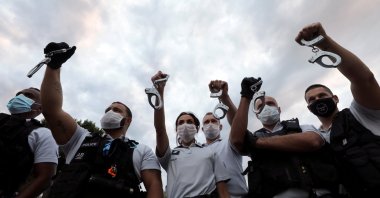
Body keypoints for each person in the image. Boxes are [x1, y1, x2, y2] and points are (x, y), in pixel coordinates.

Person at [39, 42, 163, 198]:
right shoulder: (79, 138)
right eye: (108, 110)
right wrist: (54, 67)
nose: (110, 112)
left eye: (117, 110)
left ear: (128, 120)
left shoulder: (142, 151)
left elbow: (154, 185)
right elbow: (51, 111)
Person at [297, 22, 380, 197]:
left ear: (335, 98)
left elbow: (365, 79)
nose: (317, 101)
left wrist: (324, 43)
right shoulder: (313, 138)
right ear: (309, 108)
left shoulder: (361, 114)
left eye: (322, 96)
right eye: (312, 100)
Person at [230, 78, 340, 198]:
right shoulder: (252, 138)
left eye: (270, 104)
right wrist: (246, 97)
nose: (266, 107)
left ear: (279, 109)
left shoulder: (302, 127)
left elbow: (314, 141)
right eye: (261, 106)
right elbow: (236, 139)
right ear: (257, 115)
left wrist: (258, 142)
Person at [151, 71, 230, 198]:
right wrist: (159, 90)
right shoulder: (169, 155)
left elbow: (223, 191)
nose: (185, 124)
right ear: (176, 129)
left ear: (197, 128)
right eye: (181, 123)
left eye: (189, 122)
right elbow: (160, 130)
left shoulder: (211, 152)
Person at [0, 87, 58, 198]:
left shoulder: (43, 134)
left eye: (28, 95)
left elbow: (45, 178)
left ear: (39, 108)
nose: (20, 97)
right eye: (18, 95)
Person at [201, 80, 248, 198]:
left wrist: (224, 97)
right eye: (206, 122)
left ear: (220, 126)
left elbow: (238, 123)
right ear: (202, 129)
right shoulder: (198, 150)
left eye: (213, 121)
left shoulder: (229, 142)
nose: (210, 124)